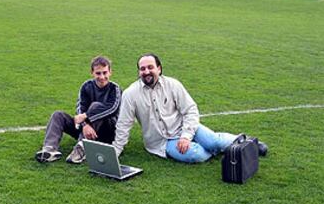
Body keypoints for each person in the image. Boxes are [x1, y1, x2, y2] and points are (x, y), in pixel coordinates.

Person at [112, 53, 267, 163]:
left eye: (150, 67)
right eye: (142, 69)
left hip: (184, 128)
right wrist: (115, 152)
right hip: (162, 142)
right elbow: (124, 124)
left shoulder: (173, 84)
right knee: (196, 155)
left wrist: (186, 136)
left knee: (212, 141)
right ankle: (226, 150)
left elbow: (190, 110)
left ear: (159, 68)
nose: (146, 72)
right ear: (139, 72)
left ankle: (249, 144)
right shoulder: (130, 94)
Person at [35, 56, 122, 164]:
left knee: (96, 106)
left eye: (105, 72)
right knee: (58, 115)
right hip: (85, 128)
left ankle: (81, 149)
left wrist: (86, 116)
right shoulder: (86, 86)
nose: (102, 77)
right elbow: (80, 107)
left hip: (107, 133)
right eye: (98, 73)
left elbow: (112, 109)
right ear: (92, 72)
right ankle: (49, 150)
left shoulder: (115, 88)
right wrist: (85, 125)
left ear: (110, 72)